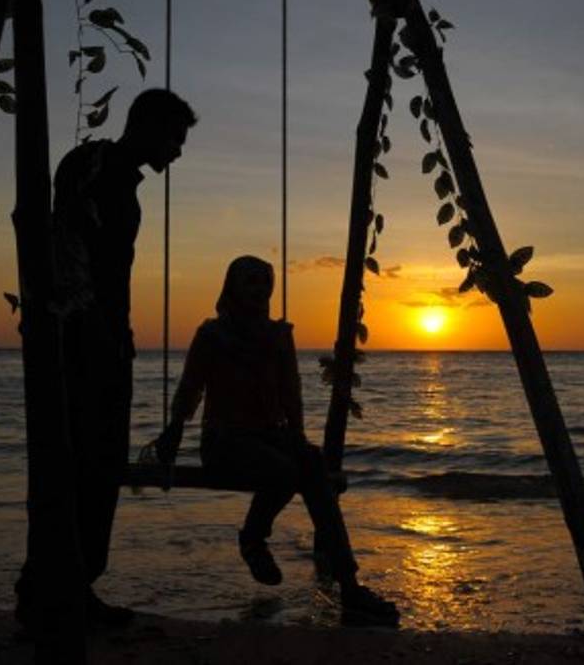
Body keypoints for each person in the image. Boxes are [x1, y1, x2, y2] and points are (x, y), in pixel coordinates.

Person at [16, 88, 198, 630]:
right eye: (175, 139)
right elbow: (66, 247)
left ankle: (68, 586)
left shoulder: (119, 177)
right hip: (81, 339)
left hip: (107, 338)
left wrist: (117, 333)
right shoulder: (91, 167)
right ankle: (50, 592)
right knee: (82, 467)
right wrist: (90, 323)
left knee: (99, 468)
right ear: (148, 127)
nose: (179, 152)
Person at [154, 255, 400, 626]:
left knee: (312, 465)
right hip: (225, 442)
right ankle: (253, 538)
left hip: (271, 437)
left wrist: (298, 437)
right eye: (249, 281)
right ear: (232, 288)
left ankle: (349, 585)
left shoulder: (278, 336)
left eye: (263, 283)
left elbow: (291, 393)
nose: (258, 289)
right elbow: (191, 389)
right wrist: (174, 428)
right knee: (286, 471)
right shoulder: (212, 335)